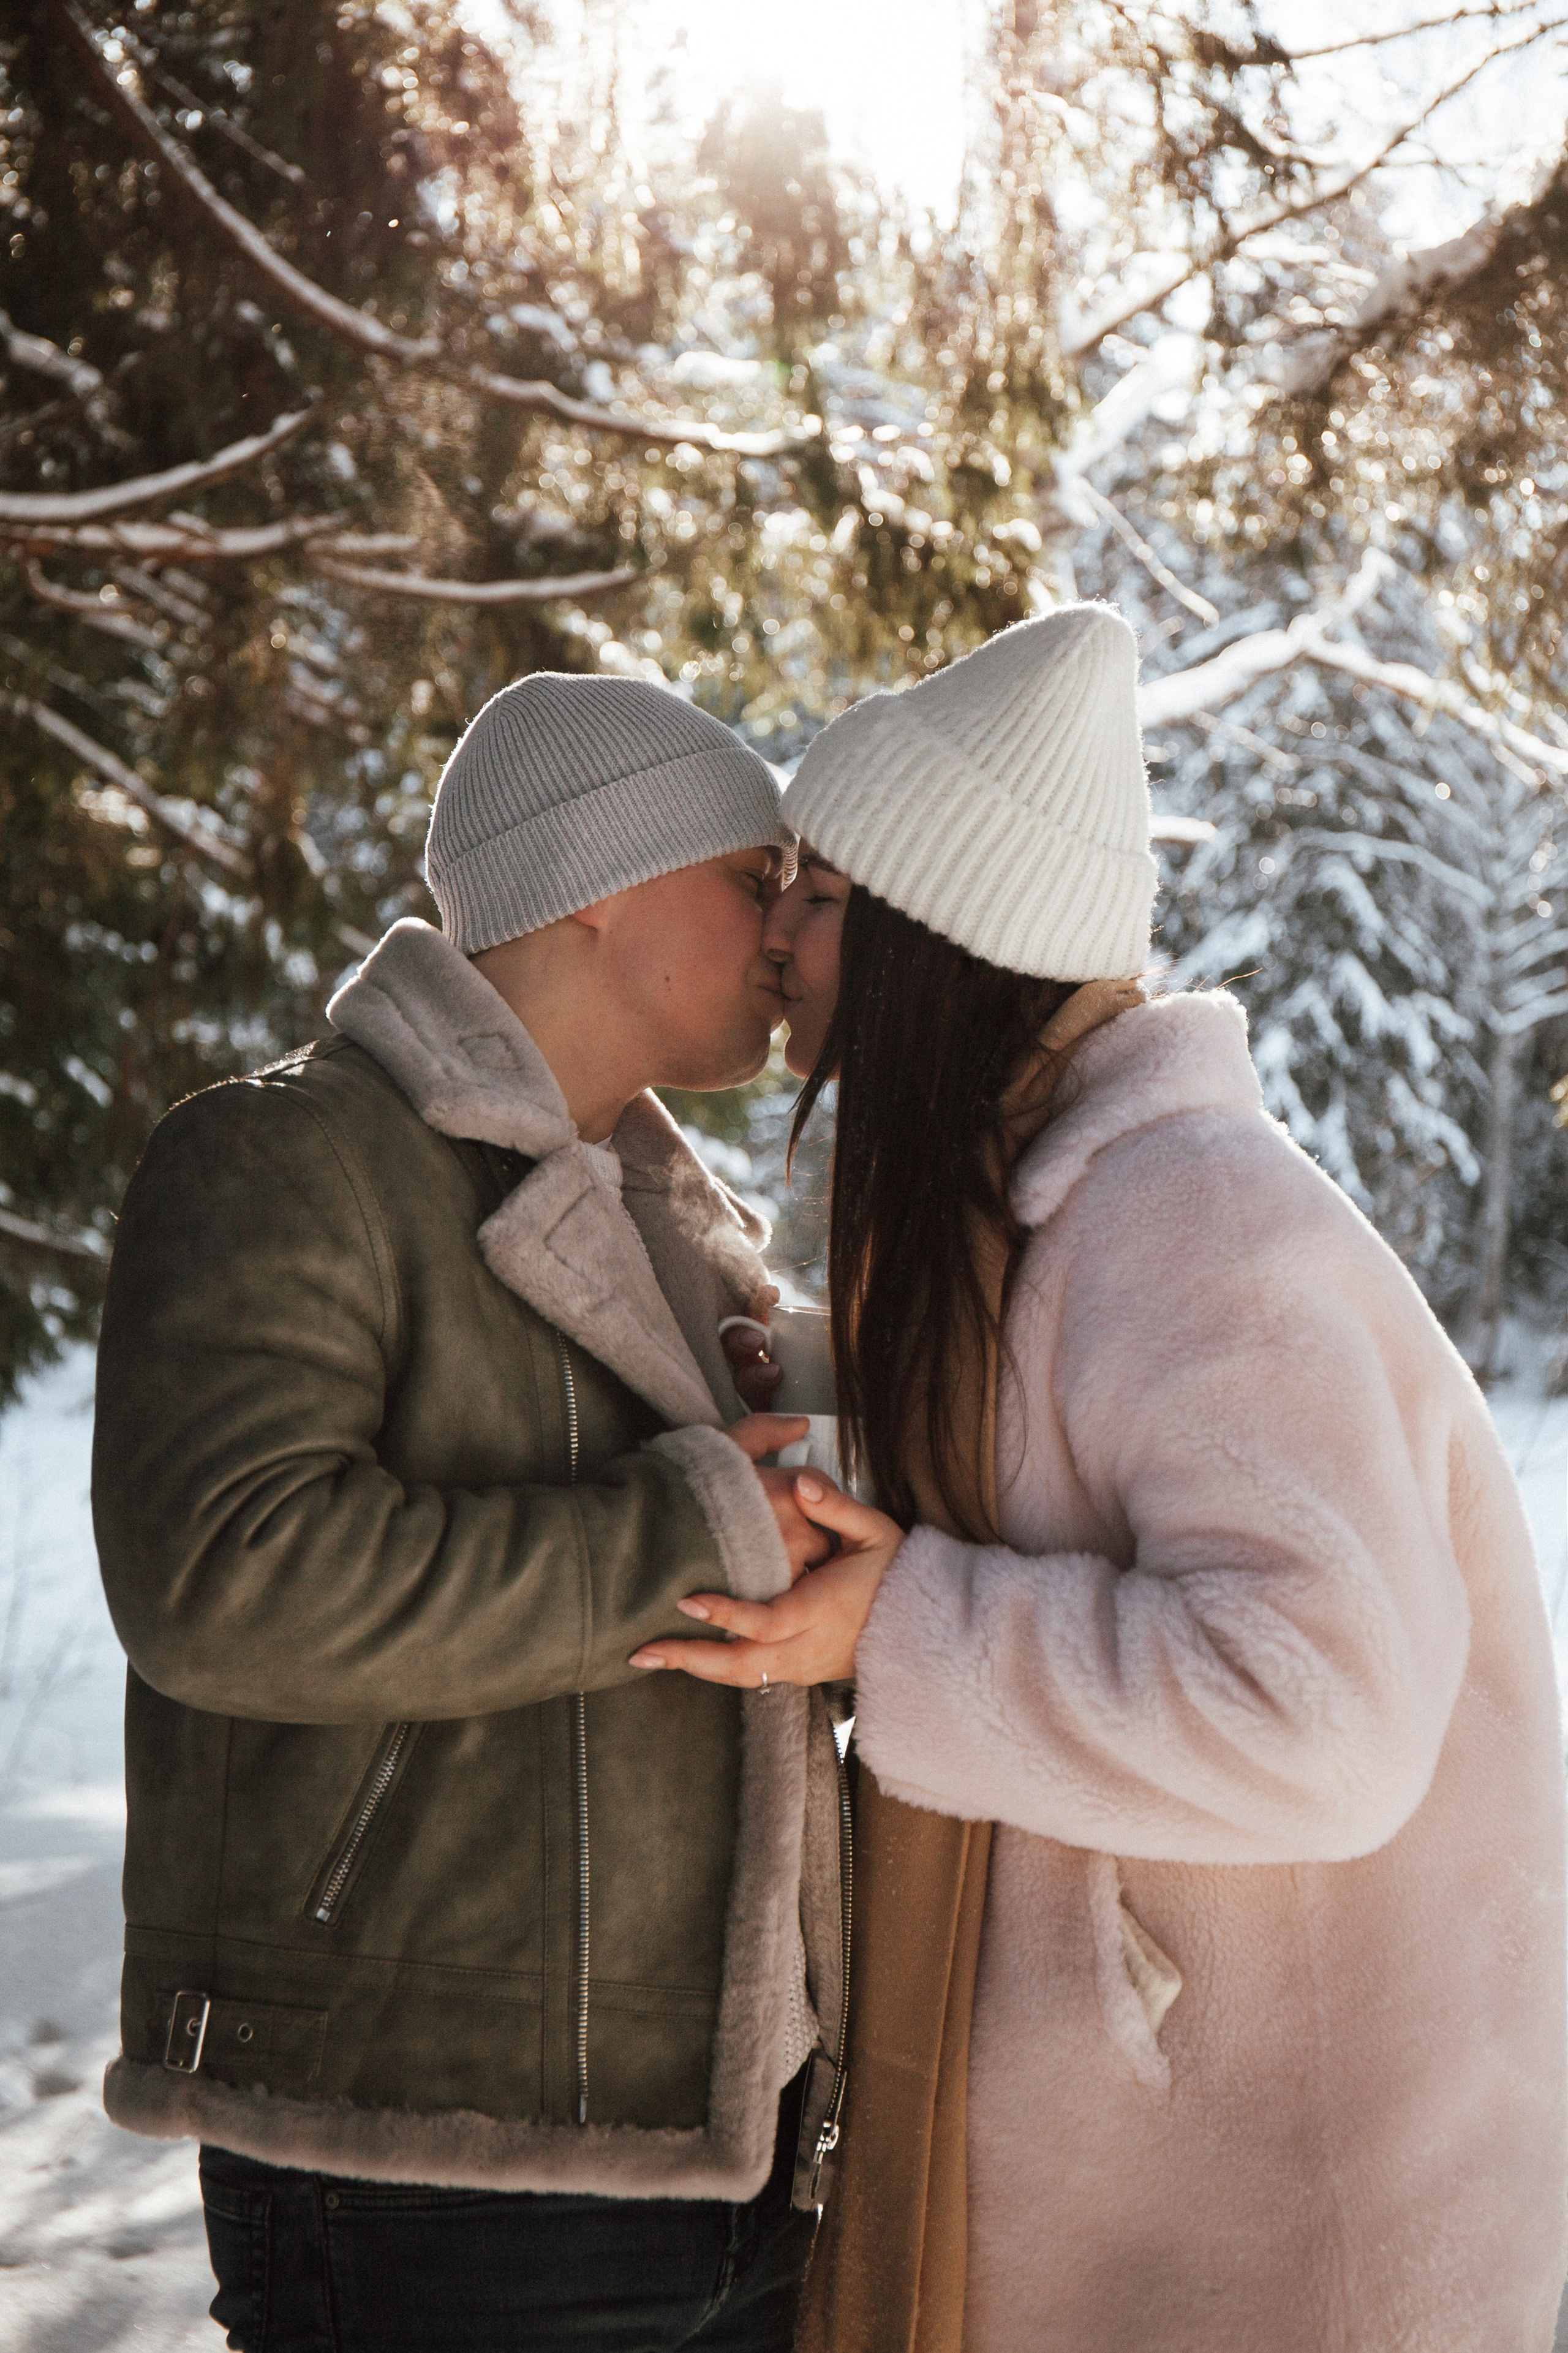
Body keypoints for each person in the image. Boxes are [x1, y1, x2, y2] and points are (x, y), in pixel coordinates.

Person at [633, 608, 1568, 2352]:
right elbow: (1058, 1436)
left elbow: (1324, 1711)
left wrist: (903, 1623)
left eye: (820, 896)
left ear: (942, 939)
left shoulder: (1195, 1217)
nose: (776, 939)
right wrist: (824, 1381)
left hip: (1297, 2237)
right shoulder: (1063, 1205)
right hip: (1189, 2196)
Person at [91, 674, 851, 2353]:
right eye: (756, 878)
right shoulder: (281, 1157)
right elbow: (226, 1577)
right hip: (427, 2176)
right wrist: (687, 1533)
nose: (794, 932)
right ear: (603, 884)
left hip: (741, 2157)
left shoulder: (682, 1227)